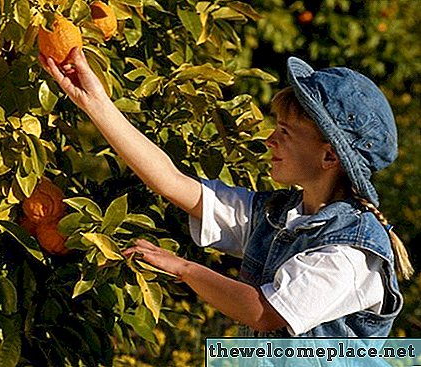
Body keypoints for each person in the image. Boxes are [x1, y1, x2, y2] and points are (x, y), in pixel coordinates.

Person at [39, 48, 413, 337]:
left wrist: (184, 268)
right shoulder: (278, 215)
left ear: (329, 155)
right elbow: (171, 181)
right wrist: (94, 101)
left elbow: (263, 312)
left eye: (285, 132)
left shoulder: (349, 253)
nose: (270, 140)